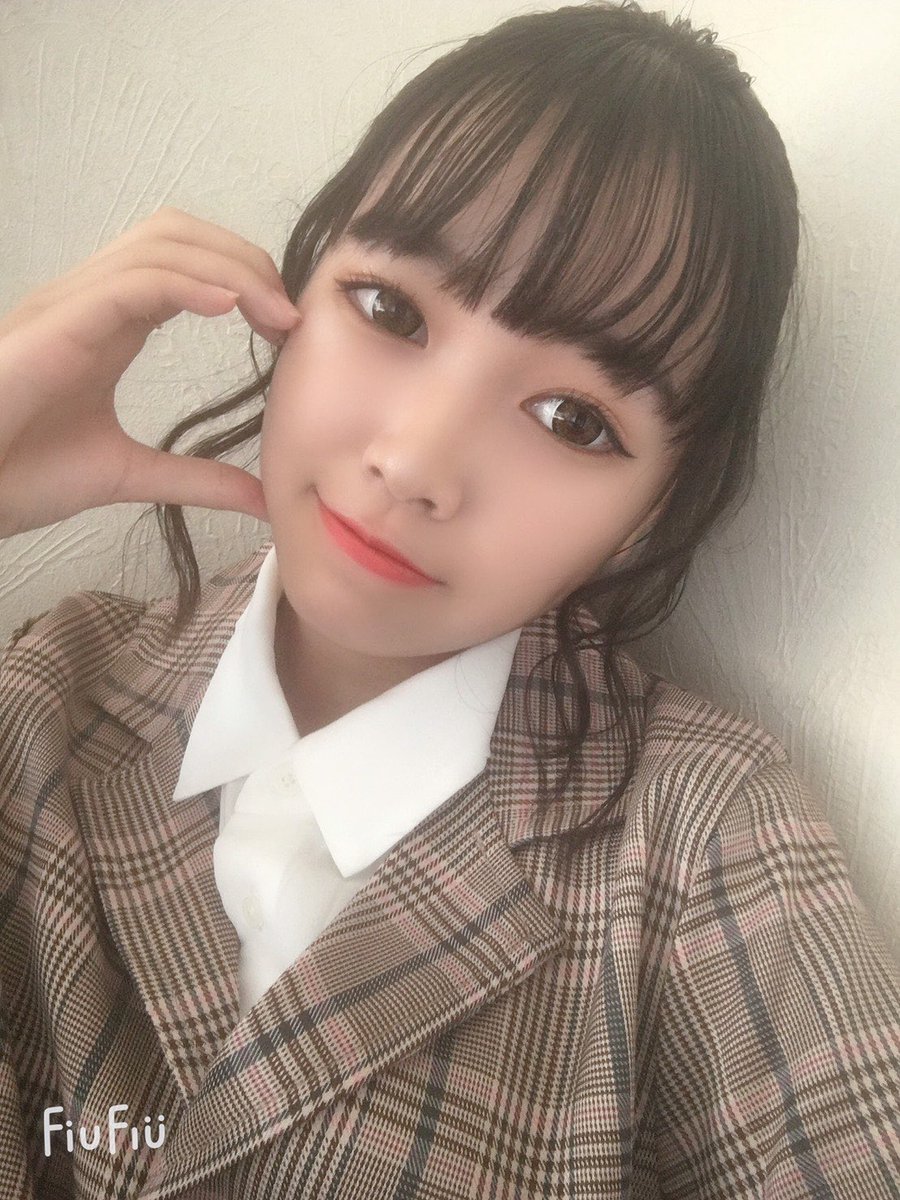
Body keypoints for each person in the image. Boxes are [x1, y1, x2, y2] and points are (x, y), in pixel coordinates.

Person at [0, 2, 898, 1197]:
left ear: (658, 507)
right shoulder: (46, 698)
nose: (415, 462)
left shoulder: (700, 833)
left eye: (572, 418)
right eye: (391, 310)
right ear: (293, 285)